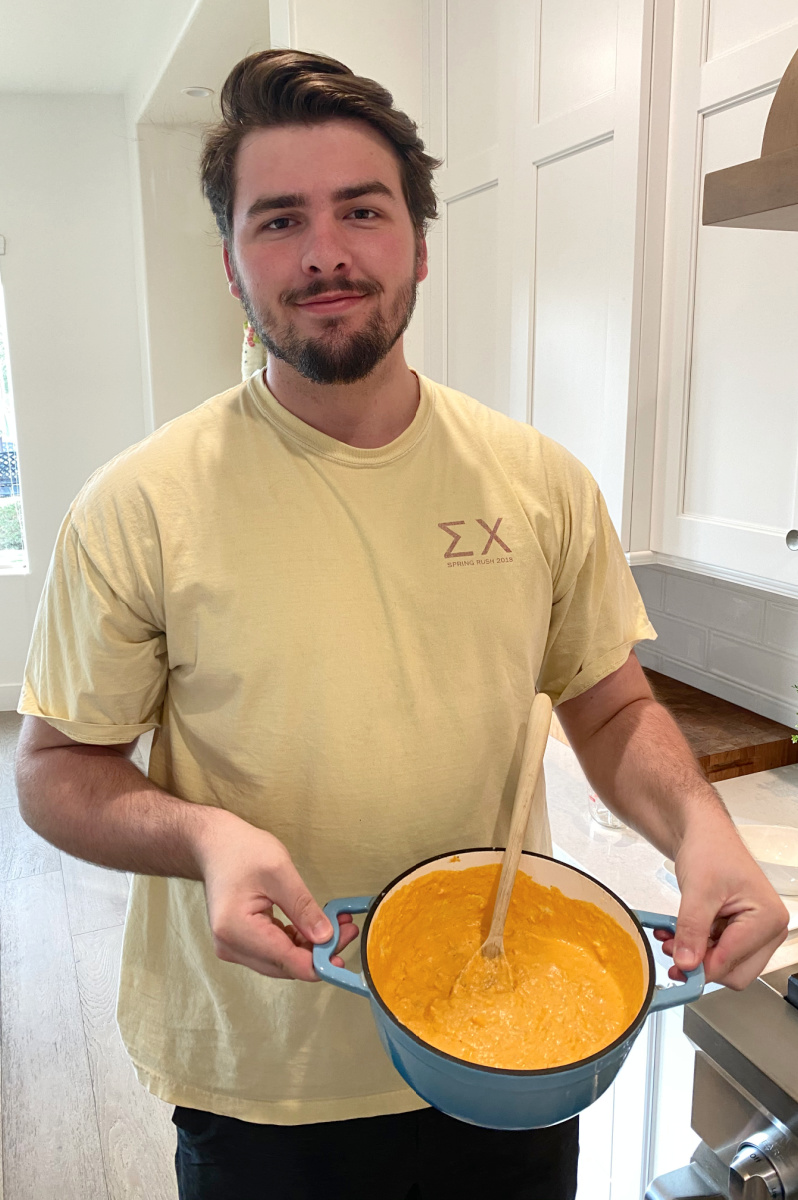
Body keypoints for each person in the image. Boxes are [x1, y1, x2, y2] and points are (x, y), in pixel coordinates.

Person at [15, 49, 788, 1200]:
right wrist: (207, 840)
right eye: (278, 220)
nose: (324, 251)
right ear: (232, 267)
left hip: (512, 1051)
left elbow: (611, 701)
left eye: (362, 210)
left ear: (420, 245)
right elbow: (54, 772)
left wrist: (701, 831)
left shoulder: (539, 482)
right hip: (264, 1070)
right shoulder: (140, 508)